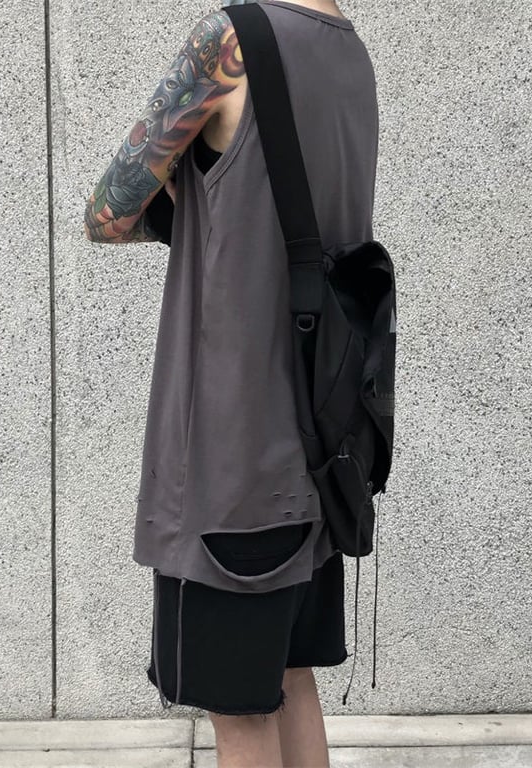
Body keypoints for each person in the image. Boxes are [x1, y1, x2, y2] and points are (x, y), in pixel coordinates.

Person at [84, 1, 379, 765]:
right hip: (318, 451)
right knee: (290, 679)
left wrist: (190, 192)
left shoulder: (230, 41)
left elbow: (108, 212)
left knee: (240, 715)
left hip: (229, 468)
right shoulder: (351, 54)